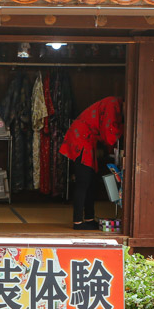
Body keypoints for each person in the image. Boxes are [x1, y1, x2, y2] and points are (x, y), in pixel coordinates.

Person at [58, 96, 123, 230]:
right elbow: (108, 134)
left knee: (91, 182)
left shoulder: (115, 104)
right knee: (84, 182)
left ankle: (89, 218)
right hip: (82, 139)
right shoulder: (113, 104)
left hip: (87, 139)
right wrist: (122, 129)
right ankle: (77, 222)